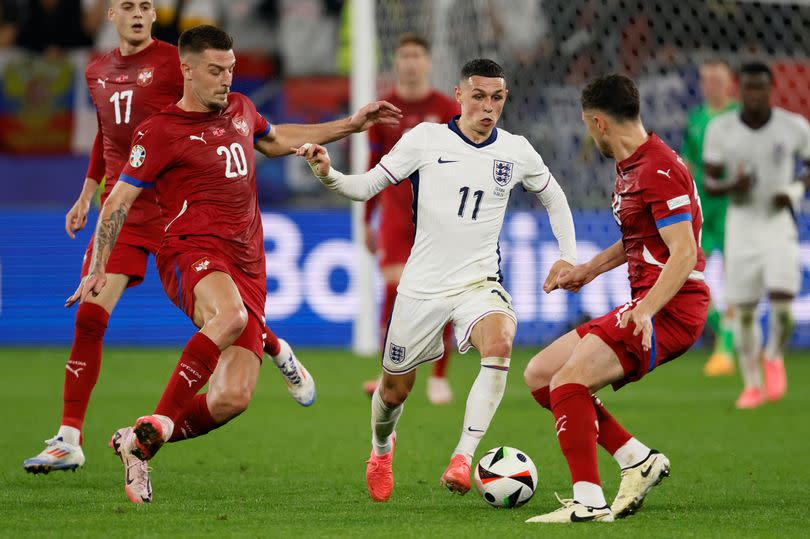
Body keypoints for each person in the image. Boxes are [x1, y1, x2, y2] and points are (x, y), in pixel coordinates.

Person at [66, 24, 401, 504]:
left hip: (248, 262)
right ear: (186, 69)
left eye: (231, 70)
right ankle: (162, 420)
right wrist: (98, 265)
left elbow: (275, 137)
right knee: (231, 316)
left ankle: (136, 443)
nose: (226, 79)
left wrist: (351, 124)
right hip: (188, 252)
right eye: (215, 70)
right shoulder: (158, 131)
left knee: (231, 399)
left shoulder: (242, 110)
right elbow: (117, 200)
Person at [23, 1, 316, 480]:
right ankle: (69, 439)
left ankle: (270, 344)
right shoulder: (97, 70)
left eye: (146, 5)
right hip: (123, 204)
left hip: (171, 206)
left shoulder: (175, 61)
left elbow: (204, 123)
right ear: (110, 13)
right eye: (128, 5)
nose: (138, 13)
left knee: (222, 315)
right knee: (90, 311)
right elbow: (108, 135)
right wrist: (85, 192)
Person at [295, 58, 577, 502]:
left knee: (501, 340)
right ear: (459, 94)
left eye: (497, 97)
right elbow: (365, 187)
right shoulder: (425, 139)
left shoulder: (517, 150)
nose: (488, 106)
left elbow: (555, 198)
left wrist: (568, 257)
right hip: (421, 288)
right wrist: (326, 172)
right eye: (479, 96)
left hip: (478, 283)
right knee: (392, 392)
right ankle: (381, 450)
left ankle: (463, 458)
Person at [523, 74, 709, 523]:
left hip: (671, 307)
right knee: (542, 374)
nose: (590, 135)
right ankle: (637, 460)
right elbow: (641, 239)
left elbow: (684, 253)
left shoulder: (657, 170)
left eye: (589, 126)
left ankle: (588, 502)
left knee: (568, 383)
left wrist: (646, 309)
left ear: (599, 122)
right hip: (650, 302)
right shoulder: (632, 166)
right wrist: (587, 271)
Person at [703, 61, 810, 409]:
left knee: (783, 309)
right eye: (747, 87)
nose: (754, 94)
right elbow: (710, 180)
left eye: (760, 87)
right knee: (745, 312)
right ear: (739, 89)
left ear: (770, 89)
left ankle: (774, 355)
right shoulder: (721, 130)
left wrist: (794, 190)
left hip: (778, 223)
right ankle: (751, 385)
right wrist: (733, 185)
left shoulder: (793, 127)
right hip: (741, 223)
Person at [362, 33, 460, 405]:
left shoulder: (448, 107)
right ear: (397, 61)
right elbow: (373, 166)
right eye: (404, 55)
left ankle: (438, 376)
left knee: (443, 297)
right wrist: (366, 219)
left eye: (418, 55)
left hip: (438, 217)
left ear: (428, 62)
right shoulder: (383, 109)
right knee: (393, 294)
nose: (411, 62)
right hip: (396, 214)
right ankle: (388, 373)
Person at [682, 59, 738, 377]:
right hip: (702, 206)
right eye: (705, 80)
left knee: (733, 275)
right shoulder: (697, 119)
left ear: (728, 82)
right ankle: (728, 332)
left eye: (716, 80)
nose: (710, 86)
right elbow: (688, 161)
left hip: (733, 206)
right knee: (692, 269)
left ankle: (725, 348)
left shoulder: (740, 116)